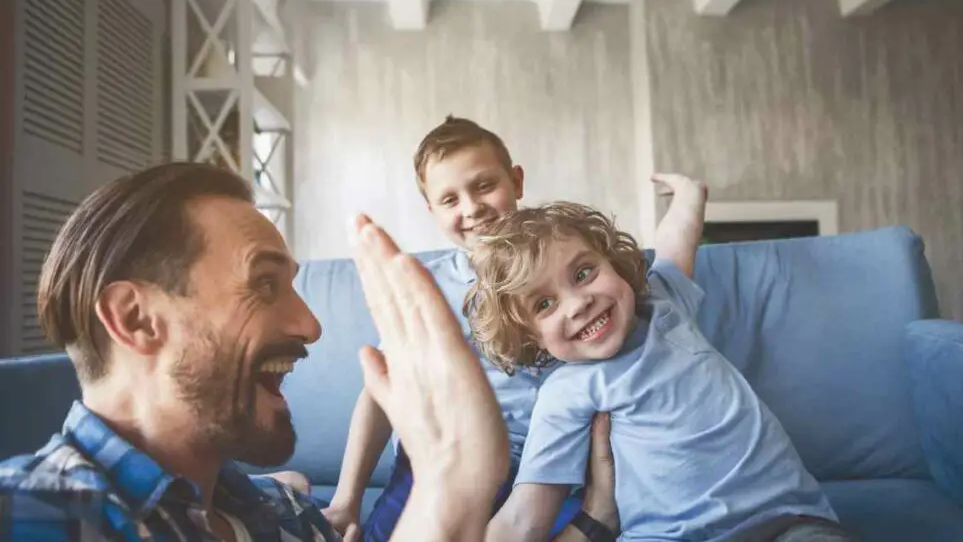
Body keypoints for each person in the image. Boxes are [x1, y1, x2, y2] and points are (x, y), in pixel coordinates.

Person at [0, 162, 612, 541]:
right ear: (136, 319)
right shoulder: (34, 511)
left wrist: (454, 487)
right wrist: (447, 493)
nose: (312, 325)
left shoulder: (285, 516)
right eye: (265, 283)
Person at [466, 175, 855, 541]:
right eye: (545, 304)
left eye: (584, 272)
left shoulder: (663, 305)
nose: (578, 303)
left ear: (614, 265)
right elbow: (525, 517)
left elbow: (674, 246)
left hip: (785, 519)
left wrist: (689, 196)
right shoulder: (565, 393)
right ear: (531, 338)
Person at [325, 117, 614, 541]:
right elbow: (381, 391)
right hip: (442, 459)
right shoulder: (429, 285)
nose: (471, 208)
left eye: (483, 186)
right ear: (432, 211)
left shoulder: (566, 270)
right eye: (449, 199)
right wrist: (346, 499)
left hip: (546, 471)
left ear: (516, 180)